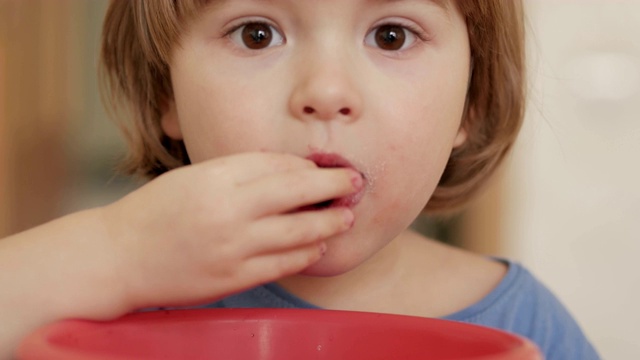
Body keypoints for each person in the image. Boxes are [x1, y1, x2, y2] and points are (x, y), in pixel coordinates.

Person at [0, 0, 600, 358]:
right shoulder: (109, 296)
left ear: (471, 103)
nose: (326, 93)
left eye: (391, 35)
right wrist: (116, 253)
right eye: (257, 33)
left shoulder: (530, 329)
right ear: (167, 92)